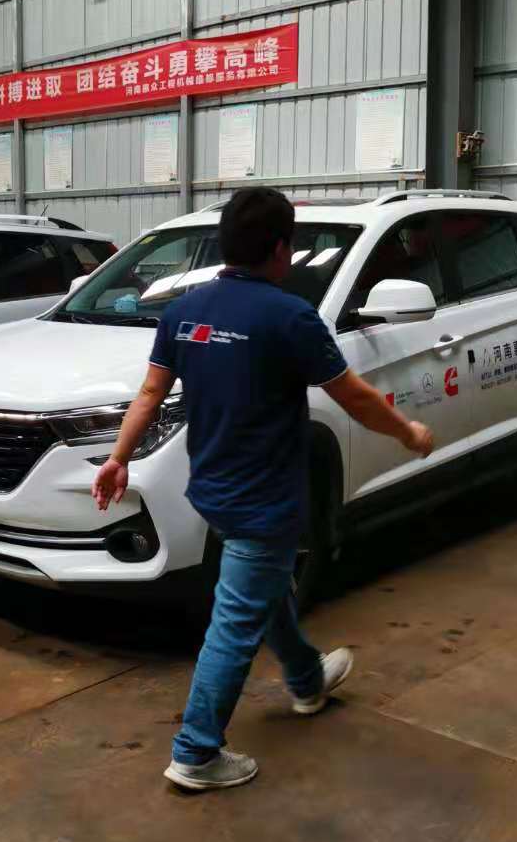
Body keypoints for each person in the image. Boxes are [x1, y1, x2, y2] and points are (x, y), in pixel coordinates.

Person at [91, 187, 434, 792]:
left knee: (261, 588)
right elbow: (353, 395)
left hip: (212, 489)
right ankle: (196, 751)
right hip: (266, 499)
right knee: (235, 620)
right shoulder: (289, 316)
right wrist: (406, 431)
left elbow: (149, 393)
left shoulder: (184, 310)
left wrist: (118, 459)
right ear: (281, 248)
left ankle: (306, 679)